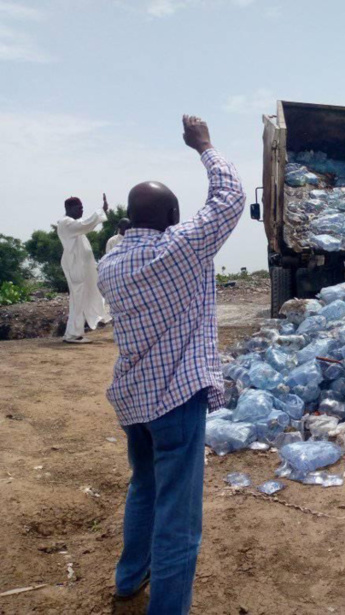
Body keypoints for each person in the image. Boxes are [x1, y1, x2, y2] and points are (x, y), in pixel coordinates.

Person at [98, 115, 245, 613]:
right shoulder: (180, 250)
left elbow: (125, 241)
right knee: (178, 521)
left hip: (133, 400)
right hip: (176, 401)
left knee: (144, 486)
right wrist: (203, 146)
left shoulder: (110, 265)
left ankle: (127, 579)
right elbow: (227, 200)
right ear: (174, 214)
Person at [57, 194, 112, 343]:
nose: (82, 211)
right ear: (69, 208)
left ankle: (73, 333)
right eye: (79, 208)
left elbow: (84, 223)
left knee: (81, 298)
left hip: (80, 267)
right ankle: (73, 335)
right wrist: (101, 210)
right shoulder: (67, 223)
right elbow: (85, 224)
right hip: (75, 267)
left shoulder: (72, 224)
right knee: (78, 299)